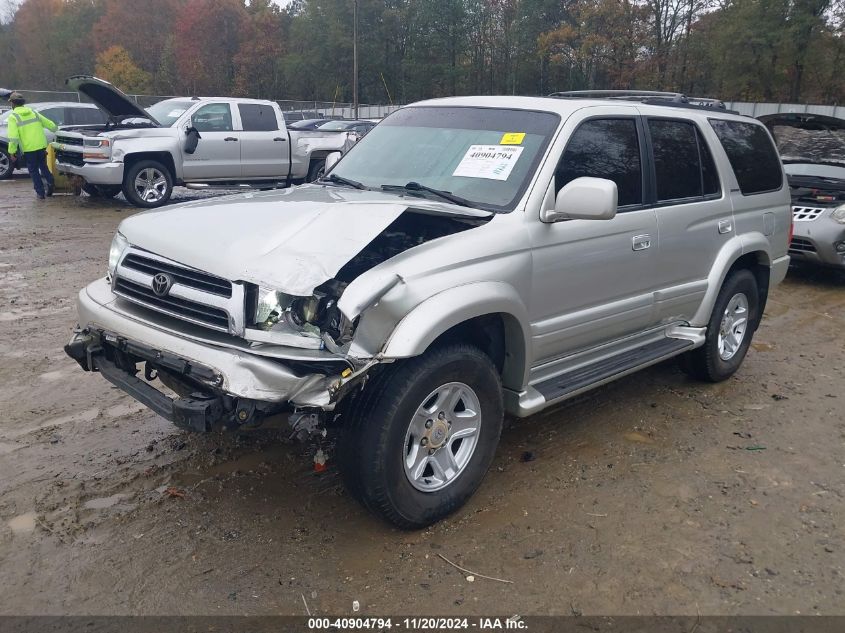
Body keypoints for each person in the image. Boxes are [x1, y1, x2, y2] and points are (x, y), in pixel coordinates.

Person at [7, 92, 57, 199]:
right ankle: (50, 181)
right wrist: (55, 129)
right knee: (43, 166)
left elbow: (14, 137)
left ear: (13, 104)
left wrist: (12, 152)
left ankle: (40, 192)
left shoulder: (13, 117)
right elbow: (50, 124)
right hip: (41, 146)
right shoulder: (33, 112)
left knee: (33, 171)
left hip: (29, 149)